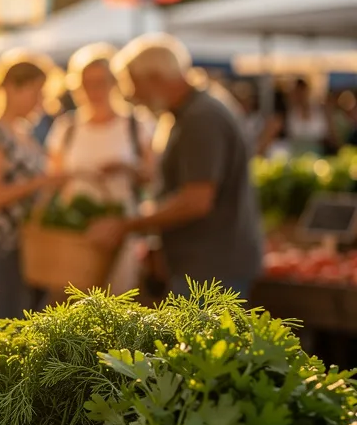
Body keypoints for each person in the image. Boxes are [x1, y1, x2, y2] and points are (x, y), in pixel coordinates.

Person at [88, 35, 263, 297]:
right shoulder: (190, 113)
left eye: (132, 84)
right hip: (205, 264)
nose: (131, 96)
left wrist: (129, 224)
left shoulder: (201, 118)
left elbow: (196, 200)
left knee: (204, 338)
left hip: (211, 270)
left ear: (156, 77)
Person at [0, 51, 67, 321]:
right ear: (12, 88)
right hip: (1, 245)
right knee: (8, 325)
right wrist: (41, 182)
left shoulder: (22, 133)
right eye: (37, 92)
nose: (41, 102)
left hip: (27, 246)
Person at [46, 44, 156, 293]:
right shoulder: (67, 127)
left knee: (120, 298)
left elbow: (154, 178)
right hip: (74, 231)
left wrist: (128, 169)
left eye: (101, 82)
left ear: (115, 83)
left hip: (123, 229)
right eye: (87, 83)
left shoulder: (137, 124)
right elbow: (53, 179)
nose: (94, 90)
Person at [261, 78, 333, 156]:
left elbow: (331, 136)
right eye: (297, 92)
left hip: (318, 154)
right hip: (294, 154)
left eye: (302, 91)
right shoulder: (287, 113)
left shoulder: (321, 111)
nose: (300, 95)